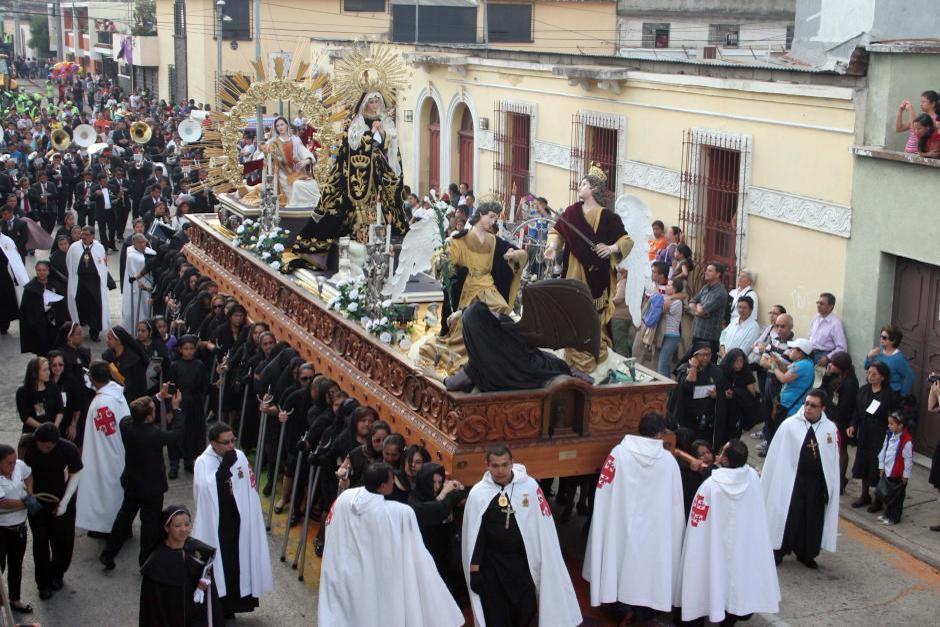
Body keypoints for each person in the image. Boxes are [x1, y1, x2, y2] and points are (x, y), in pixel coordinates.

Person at [319, 462, 465, 627]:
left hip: (347, 572)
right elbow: (424, 525)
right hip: (380, 577)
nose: (393, 483)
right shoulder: (398, 513)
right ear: (382, 486)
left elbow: (331, 526)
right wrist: (451, 496)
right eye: (391, 481)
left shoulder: (346, 498)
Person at [462, 445, 582, 627]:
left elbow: (542, 528)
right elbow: (476, 535)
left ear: (512, 463)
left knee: (524, 612)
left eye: (504, 465)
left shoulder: (530, 486)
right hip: (492, 565)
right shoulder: (478, 494)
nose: (500, 470)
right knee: (496, 616)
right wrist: (475, 569)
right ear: (487, 465)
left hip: (522, 564)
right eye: (495, 466)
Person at [583, 412, 684, 620]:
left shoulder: (619, 453)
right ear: (658, 434)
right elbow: (675, 501)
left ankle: (620, 605)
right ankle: (643, 608)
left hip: (620, 520)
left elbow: (604, 487)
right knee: (648, 566)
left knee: (617, 559)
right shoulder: (668, 461)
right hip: (654, 526)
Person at [677, 439, 780, 625]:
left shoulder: (710, 486)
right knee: (735, 580)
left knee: (711, 575)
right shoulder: (753, 479)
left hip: (713, 544)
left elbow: (698, 521)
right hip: (742, 544)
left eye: (722, 451)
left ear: (724, 460)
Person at [418, 203, 527, 375]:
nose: (493, 221)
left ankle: (493, 354)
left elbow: (518, 254)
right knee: (468, 323)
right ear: (480, 215)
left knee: (500, 313)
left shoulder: (492, 240)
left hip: (489, 287)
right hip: (470, 289)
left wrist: (513, 255)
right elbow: (443, 261)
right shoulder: (460, 239)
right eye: (491, 216)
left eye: (495, 218)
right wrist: (442, 261)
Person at [544, 166, 633, 372]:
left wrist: (610, 248)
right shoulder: (571, 212)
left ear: (594, 188)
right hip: (573, 268)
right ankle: (573, 345)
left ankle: (591, 344)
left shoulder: (609, 218)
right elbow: (557, 231)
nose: (579, 186)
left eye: (584, 183)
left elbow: (626, 241)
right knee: (573, 306)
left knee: (592, 310)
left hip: (597, 273)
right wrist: (553, 246)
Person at [192, 422, 272, 618]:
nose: (230, 446)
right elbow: (206, 491)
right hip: (218, 524)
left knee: (238, 563)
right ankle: (219, 607)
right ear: (213, 443)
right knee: (222, 565)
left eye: (232, 441)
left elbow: (247, 488)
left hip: (239, 520)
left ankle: (235, 605)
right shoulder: (203, 462)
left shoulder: (239, 456)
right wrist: (223, 470)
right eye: (225, 442)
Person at [99, 392, 181, 570]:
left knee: (124, 518)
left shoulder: (126, 426)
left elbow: (136, 412)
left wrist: (158, 397)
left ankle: (108, 553)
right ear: (149, 417)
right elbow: (176, 433)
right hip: (152, 487)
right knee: (149, 525)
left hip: (133, 482)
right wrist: (176, 409)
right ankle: (145, 561)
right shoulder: (154, 434)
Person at [762, 389, 840, 569]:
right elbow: (777, 456)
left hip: (815, 482)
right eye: (807, 404)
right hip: (792, 480)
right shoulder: (790, 425)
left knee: (811, 518)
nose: (808, 408)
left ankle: (806, 553)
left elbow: (832, 460)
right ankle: (778, 550)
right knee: (788, 515)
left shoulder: (830, 429)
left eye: (814, 406)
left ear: (823, 408)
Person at [18, 423, 83, 600]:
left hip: (61, 502)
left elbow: (76, 474)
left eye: (49, 446)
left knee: (63, 541)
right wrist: (28, 495)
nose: (46, 449)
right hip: (37, 503)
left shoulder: (68, 449)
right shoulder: (26, 444)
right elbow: (21, 470)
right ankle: (43, 583)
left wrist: (64, 503)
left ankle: (58, 573)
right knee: (40, 543)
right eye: (43, 445)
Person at [139, 505, 224, 626]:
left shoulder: (198, 551)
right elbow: (152, 608)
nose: (184, 529)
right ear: (166, 528)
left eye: (187, 524)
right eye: (177, 526)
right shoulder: (156, 562)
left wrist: (203, 585)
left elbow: (207, 580)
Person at [76, 361, 130, 538]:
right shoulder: (117, 393)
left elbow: (100, 433)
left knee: (105, 491)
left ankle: (108, 528)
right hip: (120, 450)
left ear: (92, 379)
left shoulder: (100, 404)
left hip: (105, 455)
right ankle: (121, 526)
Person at [848, 361, 894, 512]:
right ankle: (864, 494)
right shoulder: (863, 391)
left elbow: (893, 416)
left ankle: (878, 499)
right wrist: (853, 425)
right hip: (865, 433)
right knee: (864, 463)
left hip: (880, 434)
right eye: (869, 373)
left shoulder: (889, 395)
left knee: (877, 465)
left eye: (874, 374)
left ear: (882, 377)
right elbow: (855, 410)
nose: (870, 376)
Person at [408, 463, 466, 583]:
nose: (436, 486)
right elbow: (432, 510)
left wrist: (458, 488)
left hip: (447, 548)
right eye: (433, 482)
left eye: (440, 482)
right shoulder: (415, 498)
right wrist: (444, 494)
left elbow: (459, 498)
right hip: (426, 549)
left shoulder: (446, 494)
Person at [0, 444, 35, 614]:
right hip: (2, 529)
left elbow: (28, 474)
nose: (13, 466)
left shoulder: (19, 465)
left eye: (14, 462)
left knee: (16, 564)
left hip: (19, 527)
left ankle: (15, 599)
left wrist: (29, 492)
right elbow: (2, 503)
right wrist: (25, 503)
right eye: (9, 463)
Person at [670, 342, 725, 447]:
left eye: (708, 354)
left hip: (707, 416)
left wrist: (717, 395)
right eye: (702, 355)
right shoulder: (684, 368)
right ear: (694, 356)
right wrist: (694, 367)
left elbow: (722, 391)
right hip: (687, 414)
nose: (705, 358)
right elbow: (688, 385)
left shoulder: (715, 370)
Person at [169, 335, 209, 474]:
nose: (189, 351)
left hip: (195, 403)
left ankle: (189, 460)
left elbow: (205, 386)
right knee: (178, 432)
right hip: (179, 402)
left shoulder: (199, 365)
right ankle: (174, 464)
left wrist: (214, 386)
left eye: (191, 348)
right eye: (186, 349)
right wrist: (170, 408)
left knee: (193, 432)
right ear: (180, 350)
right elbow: (171, 387)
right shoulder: (175, 365)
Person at [820, 351, 859, 494]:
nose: (831, 365)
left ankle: (841, 480)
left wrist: (836, 421)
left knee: (841, 449)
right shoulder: (837, 376)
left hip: (841, 421)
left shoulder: (850, 382)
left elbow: (847, 406)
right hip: (832, 416)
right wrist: (828, 374)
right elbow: (824, 388)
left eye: (834, 364)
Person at [66, 225, 110, 341]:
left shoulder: (99, 248)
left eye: (86, 235)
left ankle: (94, 332)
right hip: (80, 282)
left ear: (92, 236)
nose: (83, 237)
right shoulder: (74, 247)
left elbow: (104, 265)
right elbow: (69, 262)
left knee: (96, 307)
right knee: (81, 306)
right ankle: (79, 328)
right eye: (82, 234)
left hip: (94, 282)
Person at [19, 260, 63, 356]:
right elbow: (26, 309)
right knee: (42, 351)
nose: (41, 273)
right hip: (39, 325)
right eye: (39, 270)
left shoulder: (54, 284)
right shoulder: (30, 289)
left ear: (48, 271)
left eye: (44, 270)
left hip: (54, 324)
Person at [877, 412, 913, 526]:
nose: (889, 426)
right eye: (889, 423)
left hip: (898, 474)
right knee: (888, 495)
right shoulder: (888, 435)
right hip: (888, 471)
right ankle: (887, 514)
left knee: (897, 498)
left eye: (892, 424)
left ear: (900, 426)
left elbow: (908, 461)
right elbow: (883, 450)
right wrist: (881, 466)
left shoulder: (906, 442)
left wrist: (906, 475)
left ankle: (894, 517)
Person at [688, 262, 729, 358]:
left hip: (709, 339)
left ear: (718, 274)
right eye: (706, 270)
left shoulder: (720, 293)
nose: (706, 272)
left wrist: (698, 307)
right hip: (697, 333)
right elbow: (691, 302)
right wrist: (698, 309)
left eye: (710, 270)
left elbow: (702, 310)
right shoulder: (705, 287)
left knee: (704, 367)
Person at [15, 356, 64, 434]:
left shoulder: (53, 387)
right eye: (45, 370)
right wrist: (43, 428)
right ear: (35, 373)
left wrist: (54, 427)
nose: (48, 372)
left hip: (53, 431)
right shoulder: (23, 392)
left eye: (48, 369)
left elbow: (60, 409)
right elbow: (25, 417)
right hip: (33, 433)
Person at [863, 323, 914, 397]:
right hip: (874, 389)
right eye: (880, 336)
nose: (881, 339)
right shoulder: (878, 351)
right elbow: (866, 367)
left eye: (884, 337)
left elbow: (909, 376)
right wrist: (869, 356)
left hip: (889, 394)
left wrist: (902, 394)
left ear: (893, 341)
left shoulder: (899, 359)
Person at [103, 326, 150, 403]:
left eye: (110, 339)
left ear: (118, 341)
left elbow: (138, 383)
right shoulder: (107, 355)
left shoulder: (133, 359)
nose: (107, 341)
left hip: (130, 398)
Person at [122, 233, 155, 331]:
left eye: (144, 242)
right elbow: (134, 271)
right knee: (137, 309)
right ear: (134, 244)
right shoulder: (131, 255)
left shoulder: (150, 252)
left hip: (148, 286)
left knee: (147, 309)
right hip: (137, 287)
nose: (143, 245)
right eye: (140, 243)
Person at [0, 229, 28, 335]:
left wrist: (17, 276)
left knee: (4, 301)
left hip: (3, 276)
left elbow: (14, 259)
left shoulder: (7, 241)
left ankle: (3, 324)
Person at [807, 292, 847, 366]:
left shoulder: (835, 324)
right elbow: (810, 337)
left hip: (823, 356)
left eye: (821, 304)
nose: (818, 305)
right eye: (818, 303)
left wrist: (828, 358)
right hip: (810, 353)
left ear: (830, 306)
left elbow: (842, 348)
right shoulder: (816, 318)